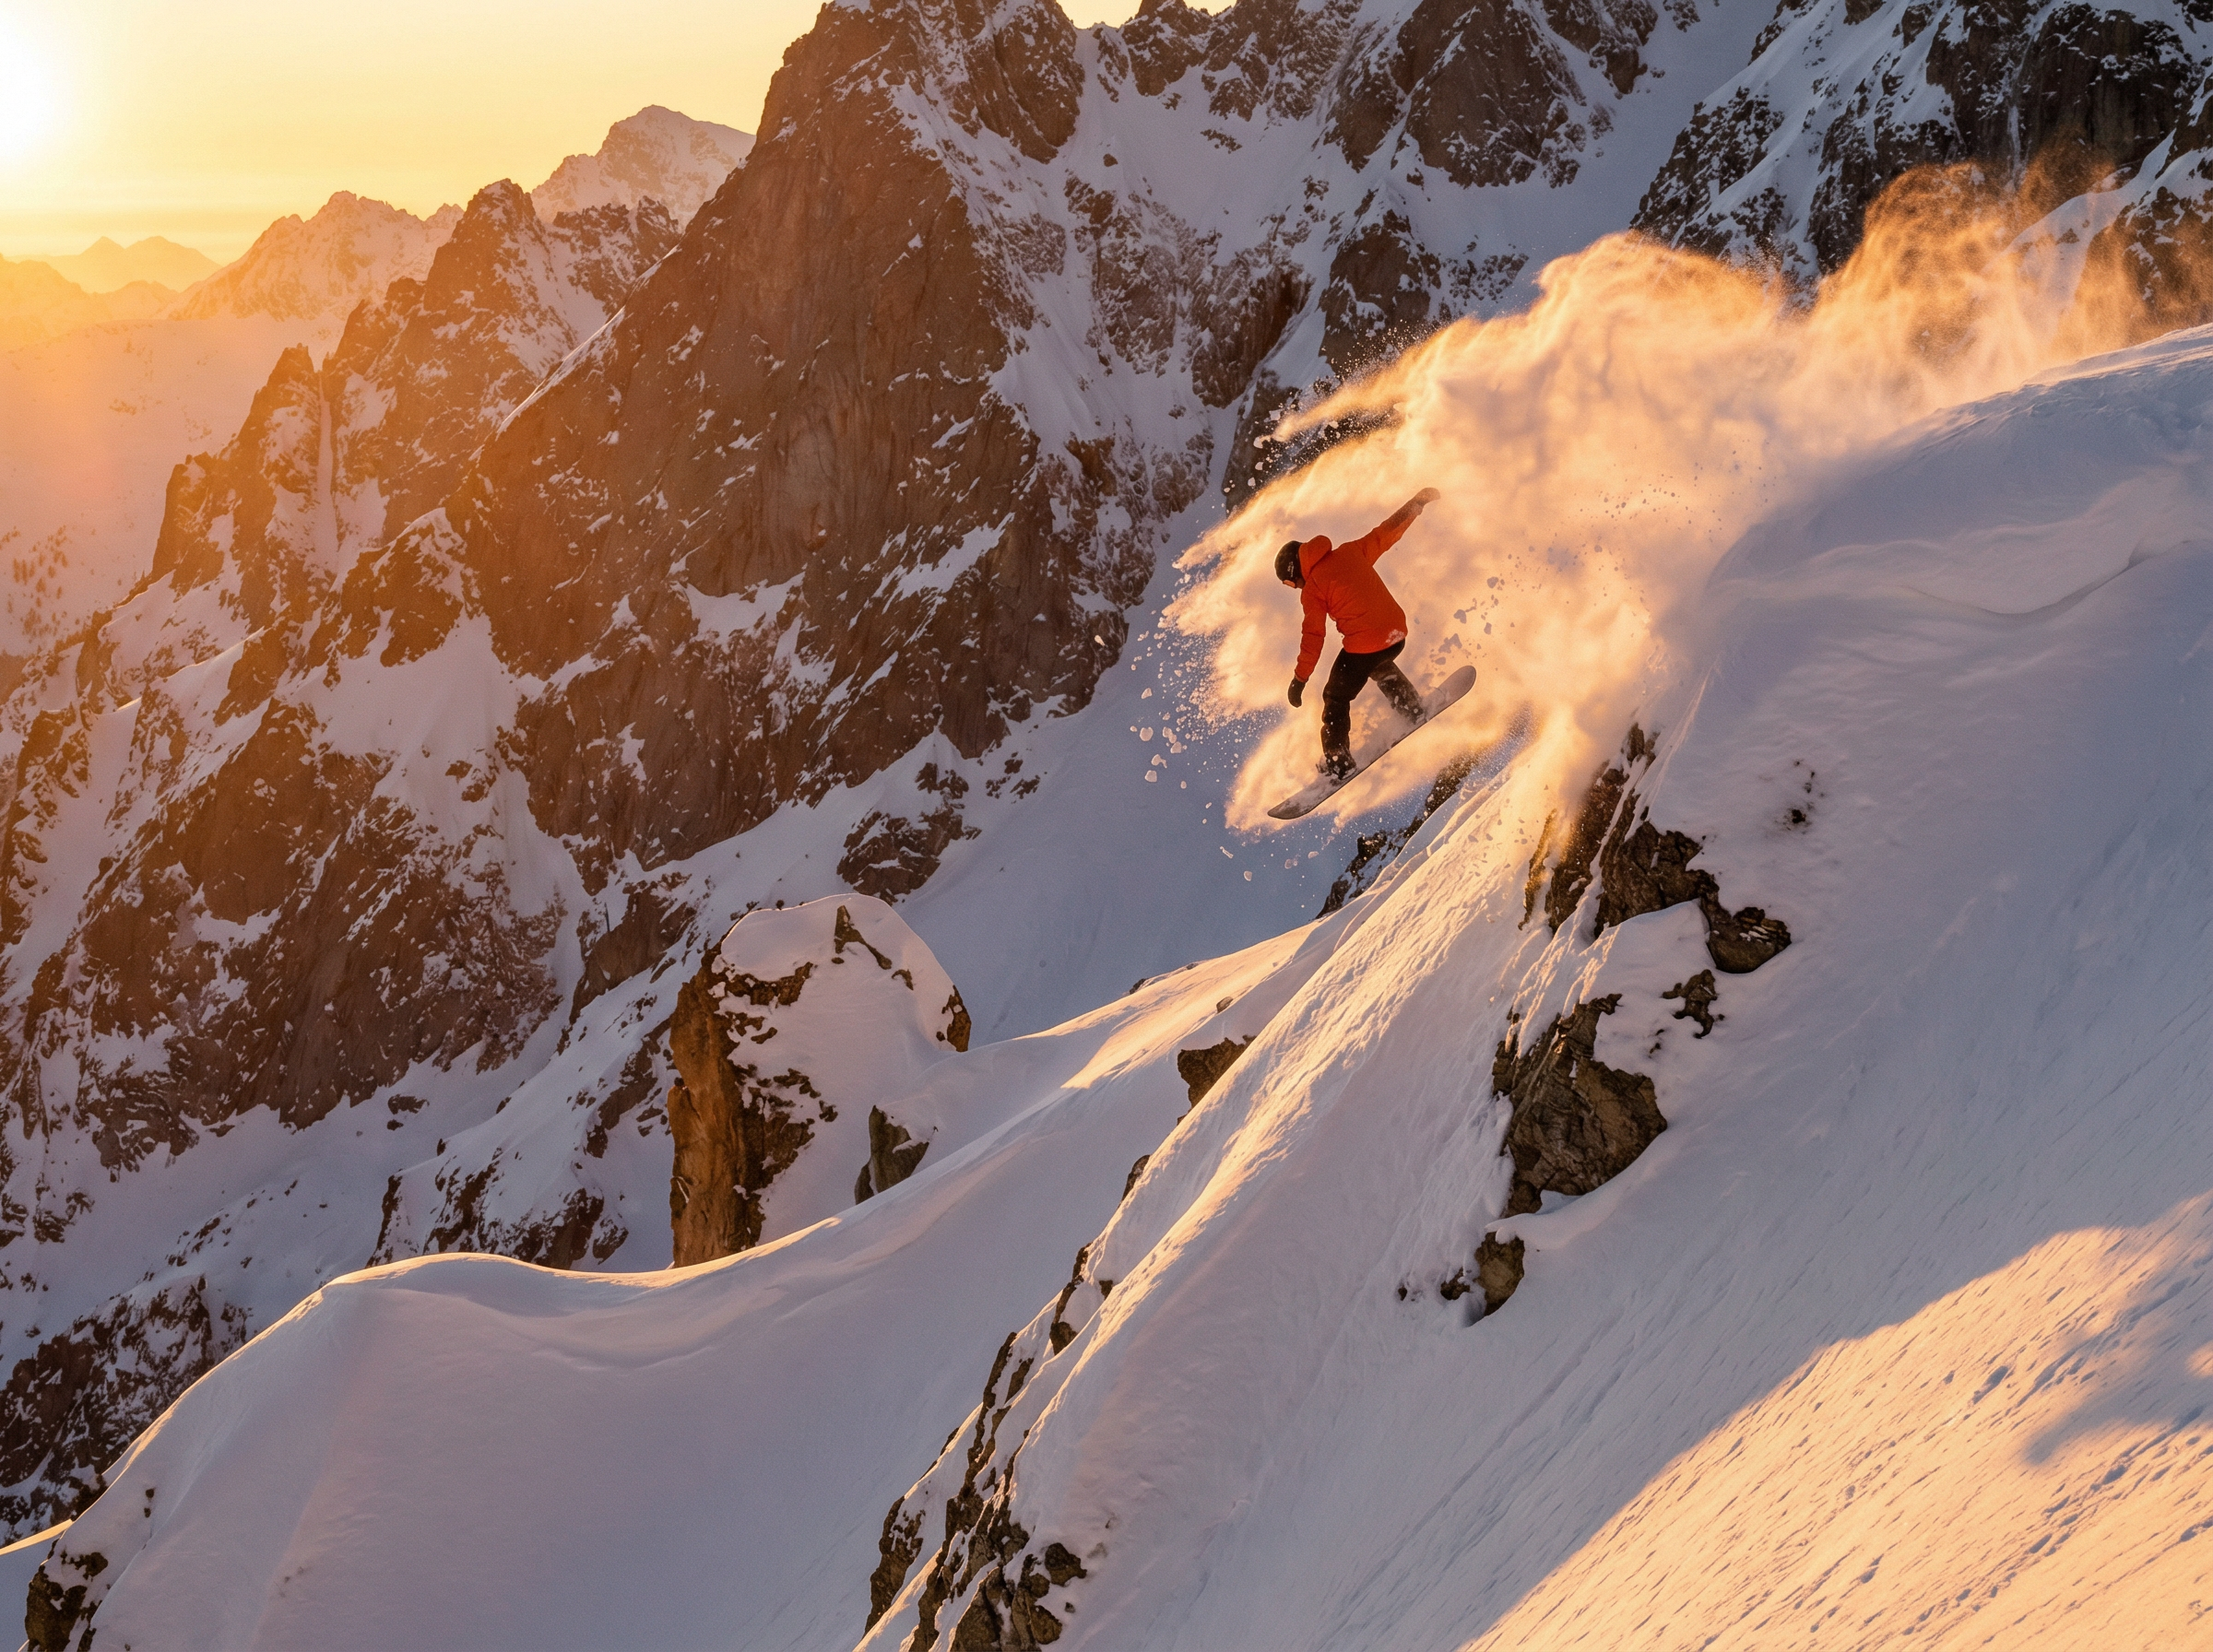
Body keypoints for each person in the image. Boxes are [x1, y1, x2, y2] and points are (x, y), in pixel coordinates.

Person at [1278, 488, 1441, 781]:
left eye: (1291, 584)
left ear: (1296, 571)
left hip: (1367, 643)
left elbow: (1313, 637)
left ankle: (1339, 763)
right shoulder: (1350, 551)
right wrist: (1416, 503)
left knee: (1335, 696)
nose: (1296, 588)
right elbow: (1385, 534)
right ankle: (1412, 708)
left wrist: (1299, 680)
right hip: (1396, 634)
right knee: (1378, 664)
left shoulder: (1313, 587)